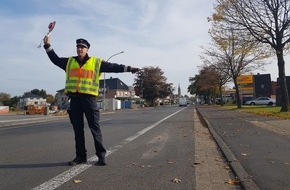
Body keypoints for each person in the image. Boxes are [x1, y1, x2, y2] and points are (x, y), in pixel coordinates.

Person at [43, 36, 139, 166]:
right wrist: (47, 45)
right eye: (78, 47)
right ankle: (80, 157)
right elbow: (55, 59)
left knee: (95, 129)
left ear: (87, 49)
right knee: (78, 130)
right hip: (75, 100)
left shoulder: (96, 63)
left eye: (82, 47)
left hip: (89, 100)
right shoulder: (69, 62)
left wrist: (129, 68)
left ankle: (101, 156)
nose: (80, 49)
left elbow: (113, 67)